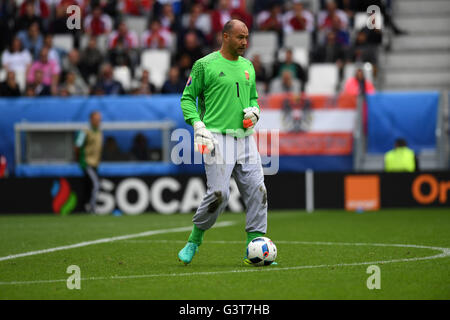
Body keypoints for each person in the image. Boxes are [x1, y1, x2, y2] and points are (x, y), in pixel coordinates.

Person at [178, 19, 272, 266]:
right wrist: (197, 125)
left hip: (245, 139)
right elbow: (187, 100)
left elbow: (253, 98)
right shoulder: (204, 65)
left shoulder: (248, 67)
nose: (244, 42)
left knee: (258, 191)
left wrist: (255, 112)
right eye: (240, 37)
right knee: (219, 194)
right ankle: (194, 241)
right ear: (226, 36)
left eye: (247, 37)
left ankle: (255, 248)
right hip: (216, 137)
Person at [74, 111, 103, 213]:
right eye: (96, 119)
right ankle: (92, 208)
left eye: (99, 119)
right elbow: (77, 145)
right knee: (95, 184)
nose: (98, 121)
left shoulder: (99, 131)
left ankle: (83, 207)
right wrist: (79, 160)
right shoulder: (84, 131)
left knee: (88, 186)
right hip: (87, 163)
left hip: (95, 163)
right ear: (91, 120)